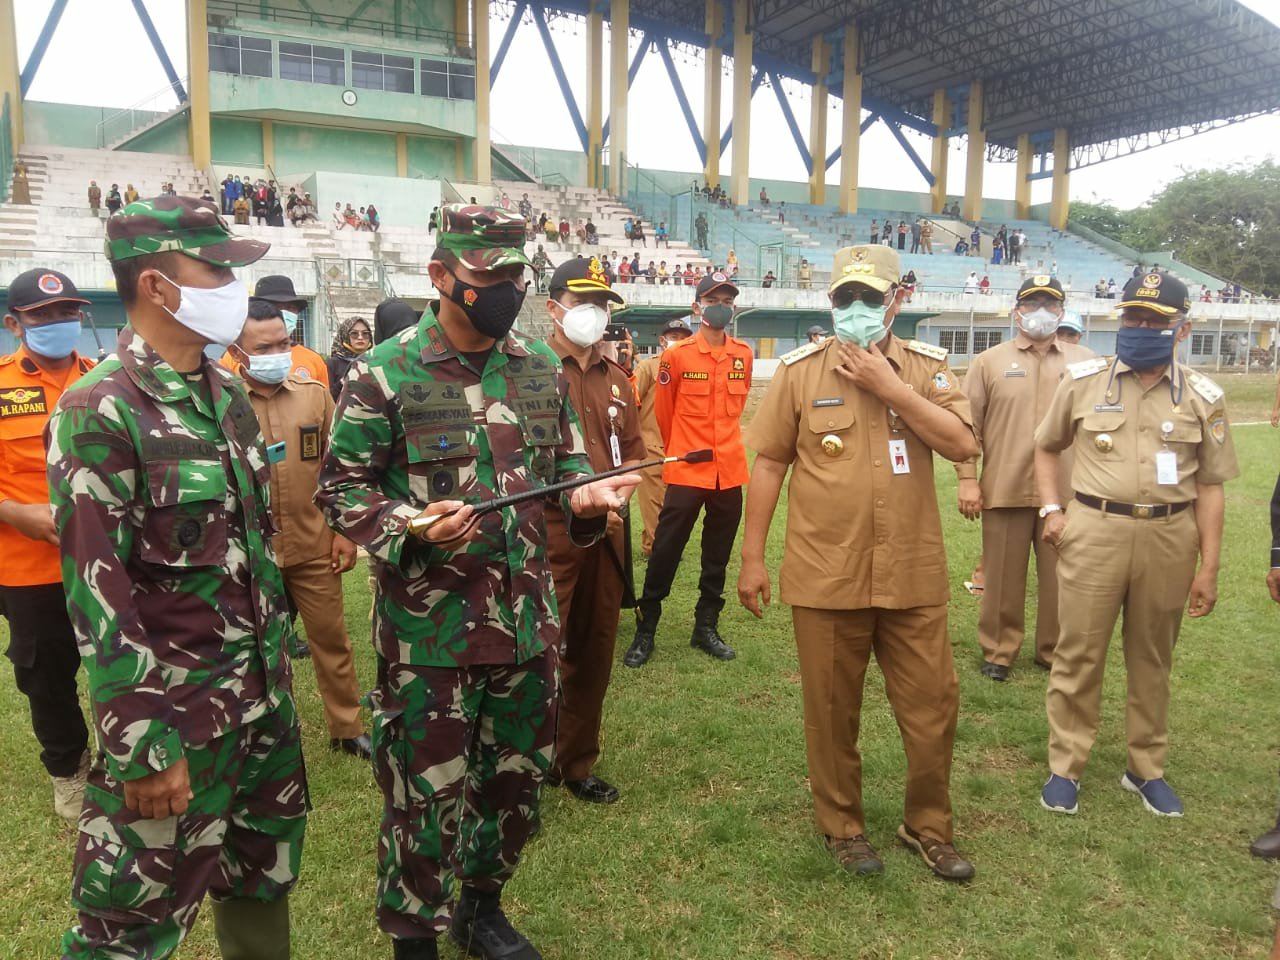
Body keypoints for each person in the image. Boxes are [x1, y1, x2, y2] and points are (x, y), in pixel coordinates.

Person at [315, 203, 639, 960]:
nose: (501, 291)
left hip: (525, 627)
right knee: (423, 803)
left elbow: (563, 465)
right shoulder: (382, 371)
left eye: (513, 277)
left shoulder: (534, 367)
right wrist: (409, 527)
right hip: (431, 638)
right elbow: (342, 489)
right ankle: (414, 941)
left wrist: (586, 493)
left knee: (513, 789)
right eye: (485, 276)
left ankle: (481, 909)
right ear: (441, 276)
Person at [47, 195, 305, 957]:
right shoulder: (100, 409)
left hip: (260, 706)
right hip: (177, 719)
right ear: (159, 286)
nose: (235, 288)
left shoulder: (225, 395)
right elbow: (100, 599)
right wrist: (143, 744)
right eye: (217, 270)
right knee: (127, 928)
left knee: (261, 881)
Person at [737, 243, 978, 881]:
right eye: (845, 297)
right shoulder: (797, 372)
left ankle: (927, 826)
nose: (856, 309)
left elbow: (961, 444)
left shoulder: (929, 369)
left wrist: (892, 388)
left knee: (933, 707)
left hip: (912, 573)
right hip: (826, 571)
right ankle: (842, 827)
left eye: (871, 298)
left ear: (897, 300)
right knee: (830, 707)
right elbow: (768, 465)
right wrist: (752, 558)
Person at [1034, 271, 1238, 818]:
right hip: (1094, 530)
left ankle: (1145, 768)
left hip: (1172, 536)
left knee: (1152, 656)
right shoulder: (1082, 382)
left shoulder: (1203, 396)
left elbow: (1211, 486)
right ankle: (1065, 765)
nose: (1142, 327)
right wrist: (1052, 509)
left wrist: (1209, 566)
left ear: (1181, 328)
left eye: (1155, 320)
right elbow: (1046, 448)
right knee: (1079, 651)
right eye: (1133, 317)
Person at [229, 300, 371, 759]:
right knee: (254, 649)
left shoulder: (314, 394)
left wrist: (345, 532)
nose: (278, 354)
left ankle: (347, 728)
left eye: (284, 343)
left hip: (314, 544)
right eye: (264, 347)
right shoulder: (220, 401)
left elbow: (342, 468)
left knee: (331, 640)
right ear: (237, 349)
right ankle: (260, 730)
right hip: (252, 552)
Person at [956, 276, 1095, 682]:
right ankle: (999, 650)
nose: (1041, 311)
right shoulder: (989, 362)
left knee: (1062, 579)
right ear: (1016, 310)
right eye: (1032, 303)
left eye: (1050, 304)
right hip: (1005, 485)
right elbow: (968, 425)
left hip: (1069, 492)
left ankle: (1053, 650)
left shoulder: (1085, 362)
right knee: (1000, 577)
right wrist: (967, 476)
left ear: (1062, 310)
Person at [541, 258, 645, 804]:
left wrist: (621, 493)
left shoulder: (619, 382)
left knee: (593, 647)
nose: (595, 315)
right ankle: (523, 768)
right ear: (552, 306)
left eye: (603, 305)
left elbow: (632, 453)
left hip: (607, 532)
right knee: (536, 654)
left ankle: (575, 762)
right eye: (584, 302)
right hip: (547, 533)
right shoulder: (530, 371)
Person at [0, 268, 94, 823]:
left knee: (119, 657)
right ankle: (69, 770)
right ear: (15, 323)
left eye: (67, 312)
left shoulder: (106, 378)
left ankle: (122, 753)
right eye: (43, 315)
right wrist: (14, 513)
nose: (59, 322)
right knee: (47, 673)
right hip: (29, 565)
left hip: (109, 559)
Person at [623, 272, 753, 668]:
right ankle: (646, 630)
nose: (722, 306)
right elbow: (663, 412)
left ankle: (706, 626)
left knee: (717, 555)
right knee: (664, 551)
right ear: (698, 307)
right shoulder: (675, 356)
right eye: (714, 299)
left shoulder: (742, 355)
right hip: (686, 470)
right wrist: (681, 448)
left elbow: (740, 404)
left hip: (728, 472)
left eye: (728, 300)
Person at [633, 317, 693, 556]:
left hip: (682, 446)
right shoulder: (649, 367)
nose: (678, 342)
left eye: (684, 338)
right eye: (674, 337)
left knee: (676, 504)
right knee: (654, 502)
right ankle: (655, 550)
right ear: (662, 340)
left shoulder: (693, 369)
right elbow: (630, 403)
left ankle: (663, 545)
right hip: (653, 446)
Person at [219, 275, 329, 387]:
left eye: (290, 308)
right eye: (274, 306)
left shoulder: (314, 360)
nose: (282, 313)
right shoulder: (234, 357)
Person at [324, 316, 373, 398]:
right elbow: (328, 398)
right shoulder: (333, 363)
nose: (360, 337)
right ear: (345, 335)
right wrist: (344, 381)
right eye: (354, 333)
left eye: (365, 333)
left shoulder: (374, 361)